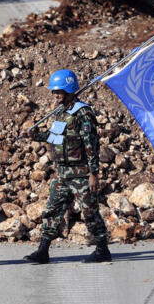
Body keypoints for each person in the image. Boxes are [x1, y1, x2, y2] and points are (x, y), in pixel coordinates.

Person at [22, 69, 111, 264]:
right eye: (54, 92)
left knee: (89, 211)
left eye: (59, 92)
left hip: (81, 173)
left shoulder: (83, 113)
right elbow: (55, 137)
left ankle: (102, 249)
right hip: (62, 173)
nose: (55, 95)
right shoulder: (60, 113)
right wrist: (35, 135)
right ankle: (43, 250)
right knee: (52, 210)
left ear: (70, 90)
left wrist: (93, 174)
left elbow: (91, 145)